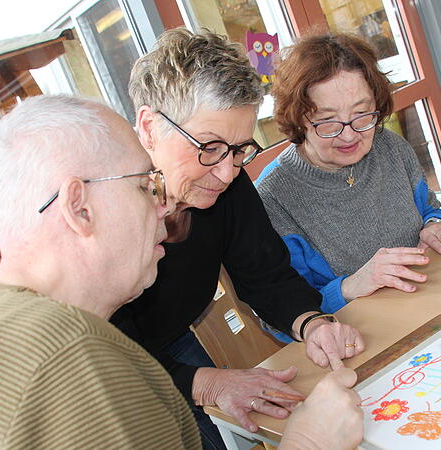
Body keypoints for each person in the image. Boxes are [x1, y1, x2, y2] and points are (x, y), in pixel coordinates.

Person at [0, 96, 364, 450]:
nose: (162, 209)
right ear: (79, 208)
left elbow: (266, 274)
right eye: (146, 186)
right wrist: (311, 442)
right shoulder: (80, 366)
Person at [111, 29, 366, 448]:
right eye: (209, 147)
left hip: (172, 336)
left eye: (239, 149)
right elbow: (106, 354)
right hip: (111, 366)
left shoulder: (225, 178)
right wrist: (205, 383)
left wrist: (312, 322)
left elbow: (265, 273)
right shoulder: (110, 215)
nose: (228, 172)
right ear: (150, 127)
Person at [256, 32, 441, 341]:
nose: (350, 136)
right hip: (363, 340)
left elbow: (429, 209)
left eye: (362, 114)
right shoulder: (273, 198)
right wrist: (350, 286)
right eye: (328, 121)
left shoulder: (390, 147)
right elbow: (279, 320)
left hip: (436, 310)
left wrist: (435, 225)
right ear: (299, 118)